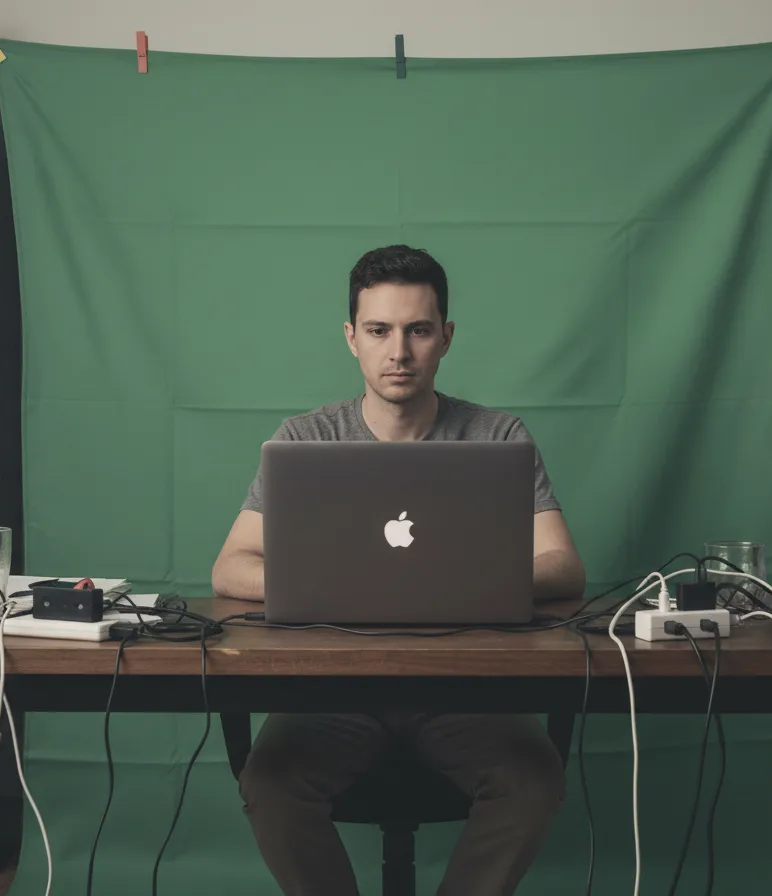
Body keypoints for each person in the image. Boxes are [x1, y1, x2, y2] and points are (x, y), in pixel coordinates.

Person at [211, 244, 586, 896]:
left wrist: (459, 585)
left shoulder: (498, 437)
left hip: (466, 691)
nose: (399, 351)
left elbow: (561, 567)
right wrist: (341, 586)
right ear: (351, 338)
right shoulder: (305, 440)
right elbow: (230, 567)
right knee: (269, 783)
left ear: (446, 336)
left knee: (533, 780)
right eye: (380, 331)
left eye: (417, 330)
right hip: (331, 691)